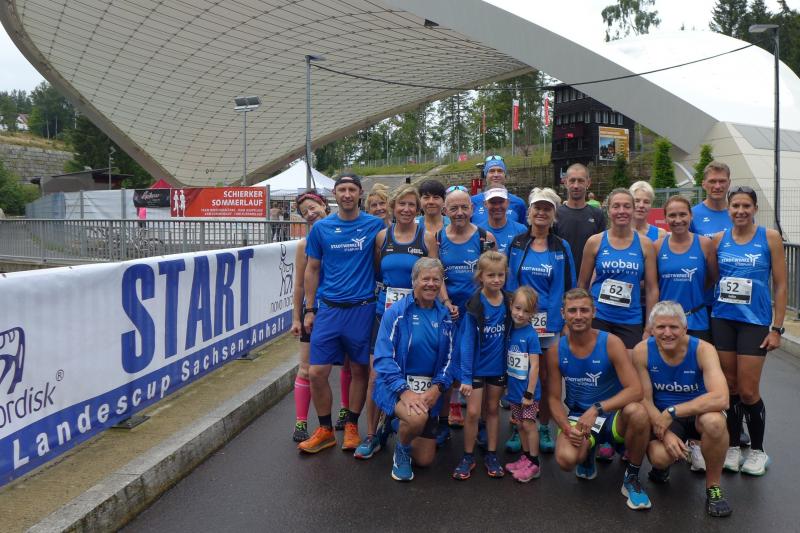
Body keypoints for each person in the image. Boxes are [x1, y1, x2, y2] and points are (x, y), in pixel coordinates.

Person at [298, 174, 386, 454]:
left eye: (352, 189)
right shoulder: (321, 228)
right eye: (342, 190)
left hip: (362, 308)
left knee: (359, 370)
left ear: (360, 194)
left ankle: (351, 425)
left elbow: (383, 261)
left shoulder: (375, 225)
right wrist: (309, 309)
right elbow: (312, 269)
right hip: (329, 309)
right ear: (334, 195)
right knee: (316, 372)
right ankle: (325, 430)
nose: (347, 194)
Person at [546, 288, 652, 510]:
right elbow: (554, 398)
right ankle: (586, 454)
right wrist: (566, 428)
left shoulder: (611, 343)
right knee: (565, 459)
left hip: (613, 416)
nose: (578, 316)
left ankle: (632, 477)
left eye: (584, 310)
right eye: (572, 310)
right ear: (563, 313)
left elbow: (635, 390)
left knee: (638, 413)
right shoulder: (556, 351)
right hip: (579, 417)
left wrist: (596, 409)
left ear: (594, 312)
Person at [355, 185, 438, 459]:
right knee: (376, 374)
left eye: (412, 204)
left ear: (418, 209)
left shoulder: (426, 237)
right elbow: (378, 272)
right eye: (402, 204)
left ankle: (397, 420)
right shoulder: (382, 237)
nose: (406, 209)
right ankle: (371, 434)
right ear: (393, 207)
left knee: (409, 372)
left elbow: (434, 275)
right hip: (385, 314)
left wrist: (445, 304)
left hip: (416, 315)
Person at [711, 185, 786, 475]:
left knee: (748, 389)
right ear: (728, 209)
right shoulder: (719, 239)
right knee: (729, 387)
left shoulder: (770, 237)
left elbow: (780, 285)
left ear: (755, 208)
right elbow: (713, 279)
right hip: (723, 319)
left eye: (746, 206)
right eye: (735, 206)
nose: (740, 211)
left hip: (754, 322)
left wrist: (777, 328)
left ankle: (757, 450)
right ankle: (732, 445)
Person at [633, 301, 733, 518]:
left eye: (674, 327)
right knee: (660, 457)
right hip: (665, 419)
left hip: (696, 414)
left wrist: (673, 411)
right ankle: (662, 469)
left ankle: (713, 487)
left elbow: (721, 398)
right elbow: (644, 399)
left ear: (685, 328)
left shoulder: (704, 349)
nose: (667, 333)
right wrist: (665, 433)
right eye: (661, 327)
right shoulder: (642, 351)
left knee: (715, 423)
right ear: (652, 329)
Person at [372, 258, 457, 481]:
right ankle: (401, 450)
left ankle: (394, 424)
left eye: (436, 279)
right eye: (425, 279)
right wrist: (404, 391)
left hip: (429, 392)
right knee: (417, 419)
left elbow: (451, 360)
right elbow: (383, 358)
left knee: (425, 460)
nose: (431, 284)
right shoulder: (396, 312)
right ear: (414, 281)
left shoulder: (445, 316)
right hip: (396, 389)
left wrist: (437, 388)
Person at [506, 187, 576, 454]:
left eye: (547, 208)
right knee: (518, 374)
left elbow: (569, 285)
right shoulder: (517, 243)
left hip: (550, 324)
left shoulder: (561, 246)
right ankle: (518, 425)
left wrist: (566, 321)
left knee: (546, 378)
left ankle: (543, 425)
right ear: (529, 211)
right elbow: (508, 282)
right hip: (520, 322)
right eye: (537, 207)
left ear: (554, 214)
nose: (541, 213)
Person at [438, 186, 496, 429]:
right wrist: (446, 302)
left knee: (479, 366)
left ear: (472, 209)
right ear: (445, 210)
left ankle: (481, 422)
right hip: (449, 311)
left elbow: (494, 274)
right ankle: (444, 419)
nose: (459, 212)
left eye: (464, 207)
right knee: (447, 363)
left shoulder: (485, 237)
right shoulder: (438, 238)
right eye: (454, 208)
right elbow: (436, 274)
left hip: (477, 314)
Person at [453, 251, 512, 480]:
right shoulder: (475, 304)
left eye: (500, 275)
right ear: (481, 277)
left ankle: (491, 454)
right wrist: (466, 377)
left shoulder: (509, 302)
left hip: (498, 368)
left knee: (493, 410)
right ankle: (468, 456)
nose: (496, 280)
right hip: (476, 368)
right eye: (491, 275)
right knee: (473, 412)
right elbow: (467, 343)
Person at [579, 188, 658, 352]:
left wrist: (649, 326)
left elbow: (652, 288)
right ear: (608, 211)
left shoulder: (645, 244)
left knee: (629, 364)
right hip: (599, 317)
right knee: (599, 363)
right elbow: (582, 284)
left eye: (627, 206)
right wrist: (581, 316)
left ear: (633, 210)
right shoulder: (594, 242)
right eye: (616, 206)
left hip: (630, 319)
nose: (621, 211)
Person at [289, 189, 330, 442]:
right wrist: (296, 317)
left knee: (350, 367)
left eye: (313, 208)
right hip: (313, 310)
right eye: (305, 212)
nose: (310, 213)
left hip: (339, 307)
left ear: (324, 206)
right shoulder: (303, 245)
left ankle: (345, 415)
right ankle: (301, 422)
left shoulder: (340, 235)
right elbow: (299, 285)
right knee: (305, 368)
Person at [655, 195, 718, 342]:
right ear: (665, 218)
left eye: (683, 214)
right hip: (665, 322)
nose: (678, 220)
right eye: (672, 215)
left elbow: (714, 277)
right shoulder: (657, 246)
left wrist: (695, 289)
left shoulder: (705, 244)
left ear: (691, 215)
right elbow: (653, 284)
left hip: (696, 320)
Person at [502, 286, 543, 482]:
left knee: (529, 425)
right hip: (514, 390)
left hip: (528, 392)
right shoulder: (510, 330)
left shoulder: (530, 335)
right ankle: (525, 457)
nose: (520, 314)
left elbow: (535, 366)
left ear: (532, 313)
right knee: (519, 425)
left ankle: (534, 464)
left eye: (526, 311)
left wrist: (529, 393)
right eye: (518, 308)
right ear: (511, 305)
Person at [554, 163, 606, 274]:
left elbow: (602, 251)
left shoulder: (598, 215)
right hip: (561, 277)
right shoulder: (555, 214)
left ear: (588, 183)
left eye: (581, 181)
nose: (576, 185)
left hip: (589, 278)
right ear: (565, 182)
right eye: (572, 180)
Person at [471, 156, 527, 225]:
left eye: (500, 171)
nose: (496, 175)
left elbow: (523, 230)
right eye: (492, 171)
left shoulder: (519, 203)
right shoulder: (473, 201)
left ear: (505, 175)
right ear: (485, 176)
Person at [476, 187, 527, 253]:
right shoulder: (477, 232)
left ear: (508, 203)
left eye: (501, 202)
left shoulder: (521, 230)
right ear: (485, 204)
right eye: (493, 202)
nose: (497, 206)